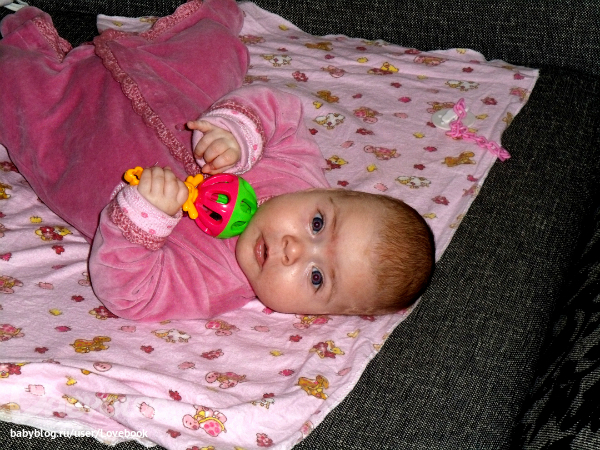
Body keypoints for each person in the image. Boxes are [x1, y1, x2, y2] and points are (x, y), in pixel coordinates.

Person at [0, 0, 434, 322]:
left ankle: (22, 35)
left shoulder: (213, 282)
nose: (294, 249)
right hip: (175, 91)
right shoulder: (299, 173)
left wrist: (143, 218)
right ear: (331, 191)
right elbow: (283, 114)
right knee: (216, 48)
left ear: (318, 314)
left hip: (87, 145)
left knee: (19, 98)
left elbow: (130, 295)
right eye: (317, 224)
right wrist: (238, 133)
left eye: (316, 277)